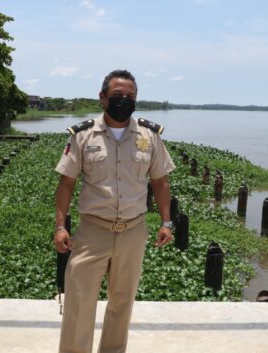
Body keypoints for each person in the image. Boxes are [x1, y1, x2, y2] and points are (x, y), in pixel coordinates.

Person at [54, 69, 176, 353]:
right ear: (102, 98)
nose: (123, 100)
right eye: (117, 95)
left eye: (130, 96)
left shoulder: (149, 135)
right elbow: (66, 183)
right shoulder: (83, 135)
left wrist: (167, 221)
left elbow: (160, 181)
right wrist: (61, 226)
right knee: (79, 302)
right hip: (93, 231)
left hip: (133, 231)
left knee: (122, 302)